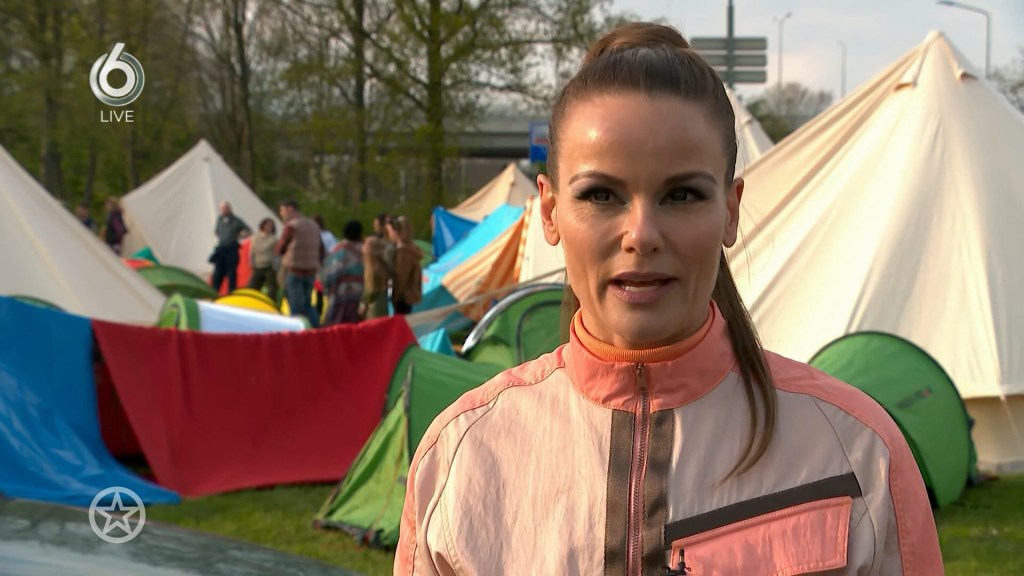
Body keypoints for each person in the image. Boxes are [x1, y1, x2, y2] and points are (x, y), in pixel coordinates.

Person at [395, 23, 943, 575]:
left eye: (681, 195)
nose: (642, 234)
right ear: (550, 211)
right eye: (600, 195)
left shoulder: (857, 452)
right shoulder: (460, 458)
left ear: (730, 210)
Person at [276, 199, 324, 327]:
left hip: (294, 270)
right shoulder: (314, 225)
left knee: (295, 306)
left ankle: (296, 331)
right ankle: (316, 328)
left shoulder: (292, 226)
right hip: (311, 270)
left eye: (282, 210)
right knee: (307, 304)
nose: (281, 214)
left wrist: (279, 252)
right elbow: (321, 248)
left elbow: (280, 247)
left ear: (290, 209)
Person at [321, 220, 365, 325]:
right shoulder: (365, 250)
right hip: (360, 297)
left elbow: (328, 275)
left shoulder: (337, 250)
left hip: (339, 296)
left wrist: (327, 289)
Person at [209, 201, 251, 293]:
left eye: (225, 208)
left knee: (231, 273)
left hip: (232, 248)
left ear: (229, 209)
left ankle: (231, 292)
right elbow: (216, 232)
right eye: (222, 209)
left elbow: (248, 230)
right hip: (221, 249)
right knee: (218, 273)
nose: (224, 211)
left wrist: (240, 236)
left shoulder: (236, 220)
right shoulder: (219, 220)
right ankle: (214, 292)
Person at [360, 214, 393, 320]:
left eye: (377, 225)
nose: (375, 228)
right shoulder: (390, 247)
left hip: (375, 302)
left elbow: (372, 282)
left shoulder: (377, 252)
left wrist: (364, 302)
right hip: (387, 297)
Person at [387, 216, 423, 315]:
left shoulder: (403, 252)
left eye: (390, 231)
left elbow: (401, 278)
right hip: (410, 296)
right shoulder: (412, 249)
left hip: (403, 298)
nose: (389, 235)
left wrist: (395, 296)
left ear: (397, 232)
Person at [247, 217, 279, 301]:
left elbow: (277, 254)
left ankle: (271, 302)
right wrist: (251, 262)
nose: (268, 227)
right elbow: (252, 251)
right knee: (253, 286)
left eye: (270, 225)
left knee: (272, 288)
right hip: (258, 265)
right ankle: (251, 301)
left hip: (269, 266)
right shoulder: (255, 238)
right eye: (267, 225)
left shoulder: (274, 239)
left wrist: (275, 266)